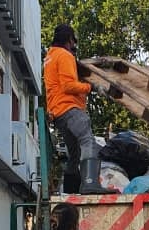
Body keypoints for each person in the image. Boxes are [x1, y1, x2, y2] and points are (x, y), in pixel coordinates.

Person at [43, 24, 111, 194]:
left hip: (57, 113)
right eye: (74, 41)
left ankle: (71, 190)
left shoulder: (50, 56)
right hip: (70, 108)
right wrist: (91, 88)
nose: (74, 45)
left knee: (75, 153)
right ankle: (90, 183)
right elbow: (68, 86)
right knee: (88, 142)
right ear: (69, 39)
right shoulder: (64, 55)